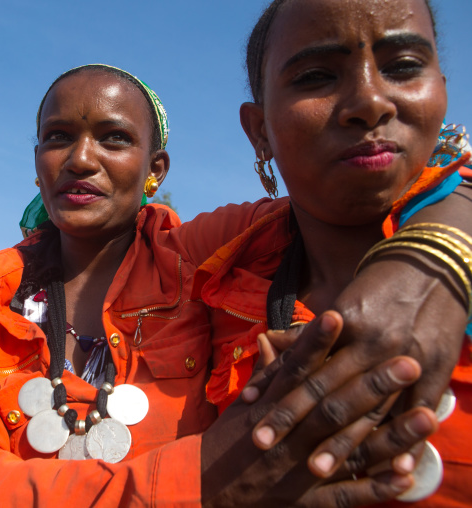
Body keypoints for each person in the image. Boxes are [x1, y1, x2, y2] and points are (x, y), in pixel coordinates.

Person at [0, 49, 468, 508]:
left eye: (114, 138)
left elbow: (407, 187)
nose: (80, 160)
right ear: (37, 164)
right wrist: (205, 483)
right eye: (58, 138)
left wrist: (434, 259)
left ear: (154, 169)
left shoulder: (200, 253)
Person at [194, 0, 472, 506]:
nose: (370, 101)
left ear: (443, 90)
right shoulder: (222, 273)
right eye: (317, 76)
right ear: (259, 130)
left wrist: (443, 250)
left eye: (404, 67)